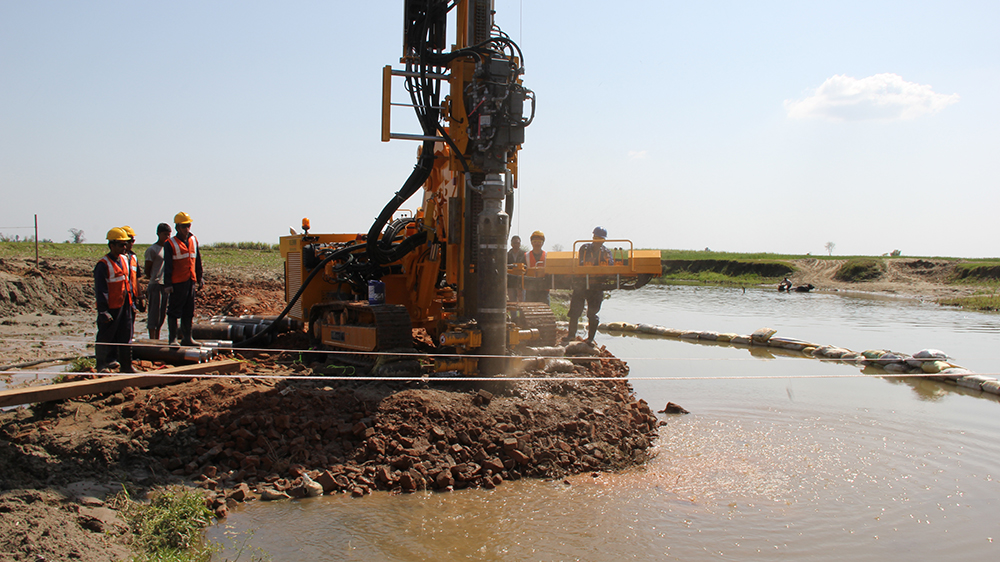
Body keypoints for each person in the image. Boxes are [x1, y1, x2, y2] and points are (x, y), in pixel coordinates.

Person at [94, 227, 136, 372]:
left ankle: (127, 366)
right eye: (121, 244)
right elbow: (101, 289)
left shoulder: (125, 260)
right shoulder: (103, 264)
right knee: (106, 335)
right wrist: (103, 310)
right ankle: (101, 365)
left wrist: (132, 303)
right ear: (111, 245)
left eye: (125, 244)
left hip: (125, 305)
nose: (124, 247)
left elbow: (128, 282)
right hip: (111, 306)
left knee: (126, 335)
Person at [567, 226, 614, 344]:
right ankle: (571, 335)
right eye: (595, 237)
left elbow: (610, 265)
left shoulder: (606, 252)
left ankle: (590, 339)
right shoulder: (585, 248)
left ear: (604, 240)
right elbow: (581, 262)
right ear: (593, 237)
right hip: (582, 284)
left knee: (592, 313)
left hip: (597, 286)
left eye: (600, 238)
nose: (597, 240)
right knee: (575, 311)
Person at [163, 211, 204, 346]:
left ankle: (187, 338)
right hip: (177, 283)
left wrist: (200, 277)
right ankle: (173, 339)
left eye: (188, 225)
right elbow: (168, 265)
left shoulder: (193, 240)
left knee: (188, 311)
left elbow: (197, 260)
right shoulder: (170, 243)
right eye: (184, 226)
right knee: (174, 312)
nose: (186, 229)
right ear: (177, 228)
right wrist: (168, 284)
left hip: (190, 280)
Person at [144, 223, 172, 339]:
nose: (167, 237)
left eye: (169, 235)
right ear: (158, 234)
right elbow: (147, 269)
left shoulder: (169, 249)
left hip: (165, 285)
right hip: (155, 284)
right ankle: (152, 338)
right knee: (153, 313)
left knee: (161, 314)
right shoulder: (152, 250)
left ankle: (158, 337)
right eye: (165, 234)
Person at [121, 225, 146, 315]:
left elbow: (135, 279)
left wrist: (140, 296)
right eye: (129, 241)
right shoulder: (116, 259)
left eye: (132, 241)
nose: (131, 243)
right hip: (121, 298)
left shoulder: (133, 257)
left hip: (132, 296)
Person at [524, 230, 550, 304]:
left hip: (543, 288)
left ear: (542, 243)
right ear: (531, 243)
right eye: (535, 242)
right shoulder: (526, 256)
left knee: (545, 311)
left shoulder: (547, 256)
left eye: (539, 242)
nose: (537, 244)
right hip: (530, 288)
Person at [506, 235, 527, 302]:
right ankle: (513, 313)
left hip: (521, 282)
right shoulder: (507, 255)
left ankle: (522, 313)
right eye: (515, 243)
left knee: (522, 302)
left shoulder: (524, 254)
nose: (517, 244)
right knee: (512, 302)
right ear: (511, 244)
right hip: (511, 282)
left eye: (518, 243)